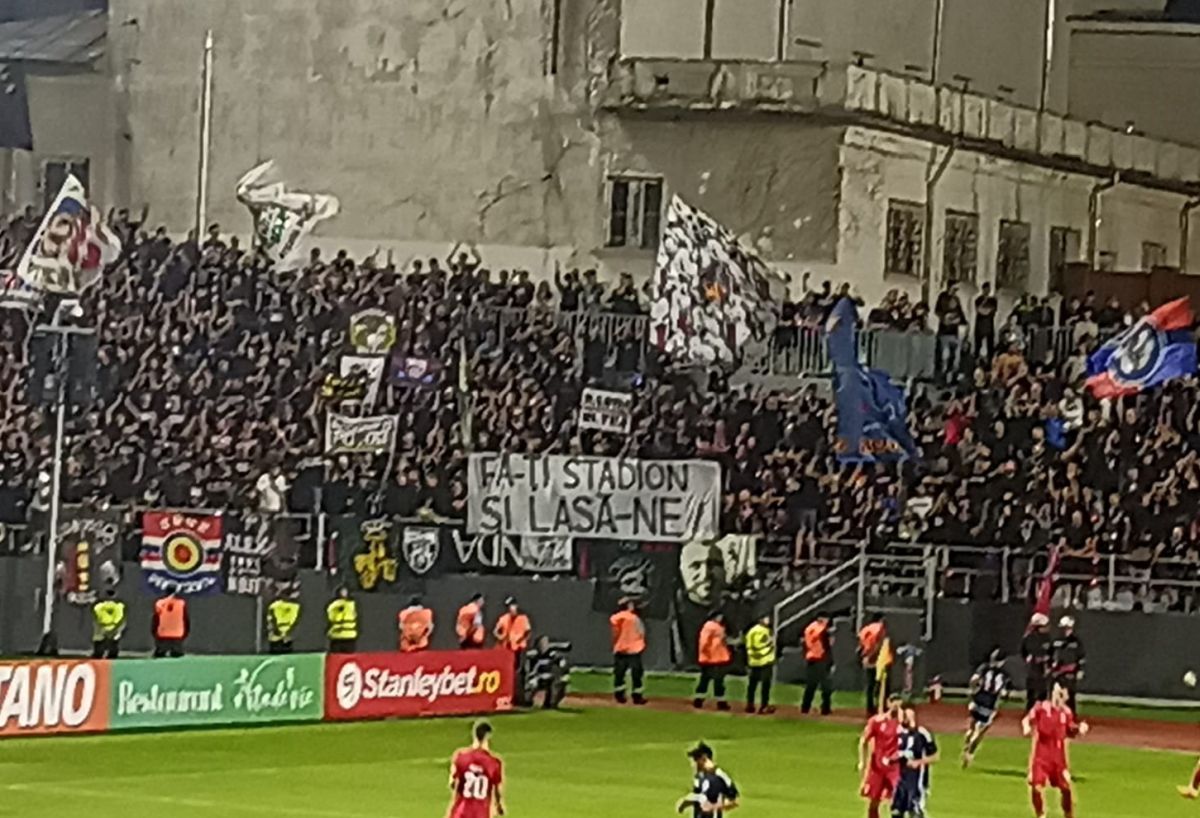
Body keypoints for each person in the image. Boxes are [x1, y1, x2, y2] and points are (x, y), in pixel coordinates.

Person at [1023, 682, 1088, 818]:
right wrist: (1026, 727)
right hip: (1041, 757)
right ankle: (1041, 815)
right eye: (1056, 692)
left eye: (1061, 694)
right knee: (1036, 787)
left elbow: (1071, 730)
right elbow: (1027, 719)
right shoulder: (1041, 707)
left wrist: (1080, 729)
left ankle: (1068, 815)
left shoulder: (1066, 713)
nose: (1058, 696)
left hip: (1058, 759)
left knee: (1066, 789)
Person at [962, 648, 1012, 768]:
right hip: (989, 705)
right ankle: (969, 753)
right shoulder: (1004, 675)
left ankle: (967, 743)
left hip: (977, 699)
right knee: (980, 732)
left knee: (971, 727)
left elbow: (973, 680)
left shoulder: (984, 668)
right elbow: (1004, 693)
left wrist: (973, 690)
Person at [448, 720, 504, 818]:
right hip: (480, 813)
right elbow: (497, 791)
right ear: (487, 737)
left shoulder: (461, 757)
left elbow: (452, 783)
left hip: (461, 812)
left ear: (474, 735)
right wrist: (499, 805)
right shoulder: (494, 762)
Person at [859, 695, 904, 818]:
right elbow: (864, 741)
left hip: (895, 767)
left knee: (898, 797)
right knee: (874, 800)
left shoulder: (903, 724)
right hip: (877, 767)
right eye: (894, 703)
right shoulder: (876, 721)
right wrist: (862, 761)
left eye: (899, 704)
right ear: (888, 703)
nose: (896, 707)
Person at [893, 707, 939, 818]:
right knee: (896, 811)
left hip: (917, 779)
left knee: (915, 811)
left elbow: (935, 757)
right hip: (899, 779)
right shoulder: (897, 732)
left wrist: (918, 762)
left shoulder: (922, 733)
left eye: (908, 716)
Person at [676, 742, 739, 818]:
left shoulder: (719, 776)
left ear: (704, 758)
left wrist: (713, 807)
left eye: (695, 760)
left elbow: (734, 801)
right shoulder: (699, 776)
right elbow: (698, 796)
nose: (693, 764)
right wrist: (686, 802)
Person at [610, 598, 647, 705]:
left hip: (620, 648)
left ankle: (619, 695)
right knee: (636, 673)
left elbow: (615, 633)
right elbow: (641, 631)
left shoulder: (615, 618)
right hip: (634, 649)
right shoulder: (634, 618)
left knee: (619, 673)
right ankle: (637, 696)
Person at [693, 611, 732, 711]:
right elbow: (704, 641)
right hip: (712, 657)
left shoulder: (717, 627)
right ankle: (719, 701)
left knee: (707, 679)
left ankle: (699, 699)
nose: (721, 618)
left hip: (715, 657)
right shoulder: (710, 626)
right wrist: (705, 652)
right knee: (716, 680)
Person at [1051, 616, 1086, 714]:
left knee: (1069, 695)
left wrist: (1080, 670)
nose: (1064, 630)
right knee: (1057, 694)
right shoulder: (1056, 641)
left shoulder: (1076, 642)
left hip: (1070, 673)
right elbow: (1051, 655)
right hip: (1057, 673)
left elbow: (1081, 657)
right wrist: (1051, 665)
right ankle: (1057, 717)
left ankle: (1071, 716)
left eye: (1066, 627)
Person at [802, 613, 834, 716]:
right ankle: (825, 708)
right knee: (826, 685)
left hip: (810, 657)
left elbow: (805, 643)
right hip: (821, 658)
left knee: (811, 685)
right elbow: (826, 646)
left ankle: (805, 707)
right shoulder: (822, 630)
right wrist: (830, 660)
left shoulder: (809, 628)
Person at [744, 613, 776, 714]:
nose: (768, 620)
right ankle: (763, 705)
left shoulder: (752, 631)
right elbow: (765, 644)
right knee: (765, 684)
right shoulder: (764, 631)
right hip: (765, 660)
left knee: (752, 684)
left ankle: (750, 705)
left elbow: (748, 645)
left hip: (754, 661)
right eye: (766, 619)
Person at [1021, 613, 1053, 711]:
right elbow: (1024, 653)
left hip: (1043, 670)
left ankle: (1041, 714)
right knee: (1032, 694)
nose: (1048, 627)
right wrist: (1032, 659)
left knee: (1043, 694)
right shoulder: (1029, 638)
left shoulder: (1047, 638)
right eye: (1045, 626)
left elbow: (1051, 653)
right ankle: (1030, 713)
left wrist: (1048, 663)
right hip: (1033, 670)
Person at [859, 614, 888, 717]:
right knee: (882, 684)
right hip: (878, 659)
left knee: (870, 684)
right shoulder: (880, 629)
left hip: (867, 657)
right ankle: (881, 706)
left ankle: (869, 707)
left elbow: (861, 644)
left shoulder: (865, 629)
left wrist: (864, 656)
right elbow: (879, 644)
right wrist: (873, 656)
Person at [91, 587, 126, 659]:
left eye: (110, 594)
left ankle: (108, 656)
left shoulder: (119, 606)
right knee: (101, 645)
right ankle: (100, 655)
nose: (109, 597)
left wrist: (118, 629)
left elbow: (122, 619)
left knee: (111, 645)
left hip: (111, 627)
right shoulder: (100, 606)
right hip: (104, 627)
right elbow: (96, 617)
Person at [152, 590, 188, 658]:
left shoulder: (159, 603)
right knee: (177, 655)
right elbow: (185, 619)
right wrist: (185, 633)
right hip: (177, 634)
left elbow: (155, 619)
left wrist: (154, 632)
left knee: (160, 655)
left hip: (163, 634)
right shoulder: (181, 603)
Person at [326, 586, 359, 653]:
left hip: (349, 637)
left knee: (348, 657)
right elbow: (330, 617)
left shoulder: (352, 605)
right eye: (342, 592)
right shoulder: (333, 606)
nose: (344, 594)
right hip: (337, 637)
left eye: (345, 592)